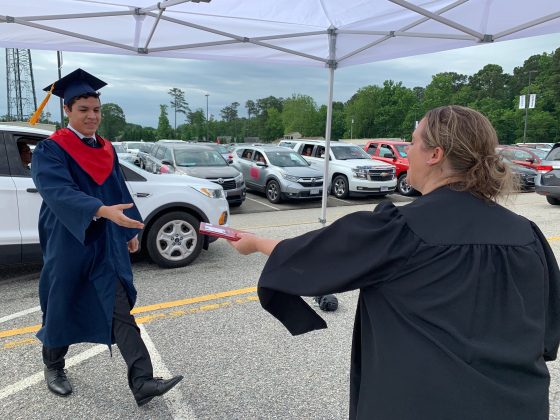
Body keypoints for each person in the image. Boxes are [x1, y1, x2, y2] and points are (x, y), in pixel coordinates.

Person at [228, 105, 560, 419]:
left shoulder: (401, 228)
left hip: (423, 404)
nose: (407, 153)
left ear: (435, 154)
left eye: (413, 143)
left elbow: (313, 256)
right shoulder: (525, 235)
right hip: (517, 404)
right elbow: (546, 333)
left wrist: (256, 242)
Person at [31, 68, 183, 406]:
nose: (92, 116)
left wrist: (128, 226)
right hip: (67, 239)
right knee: (61, 303)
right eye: (83, 110)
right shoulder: (50, 150)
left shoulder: (106, 148)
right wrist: (101, 211)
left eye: (96, 110)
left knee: (118, 308)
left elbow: (118, 188)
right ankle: (53, 366)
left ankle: (142, 381)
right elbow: (58, 192)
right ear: (67, 110)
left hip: (104, 241)